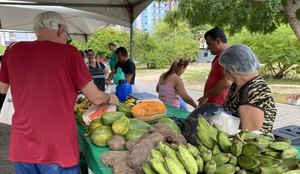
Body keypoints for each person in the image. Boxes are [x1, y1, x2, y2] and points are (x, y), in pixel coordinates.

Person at [0, 11, 119, 174]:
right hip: (57, 147)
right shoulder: (69, 53)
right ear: (61, 29)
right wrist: (109, 97)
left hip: (22, 146)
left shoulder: (13, 50)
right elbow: (95, 98)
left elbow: (2, 88)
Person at [219, 44, 277, 135]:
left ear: (232, 69)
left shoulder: (254, 92)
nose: (223, 71)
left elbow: (249, 135)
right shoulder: (237, 84)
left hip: (251, 146)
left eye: (224, 68)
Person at [197, 27, 232, 106]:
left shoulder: (226, 56)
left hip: (218, 105)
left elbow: (227, 81)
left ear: (218, 41)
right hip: (214, 104)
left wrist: (207, 95)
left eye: (209, 43)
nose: (208, 47)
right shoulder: (220, 56)